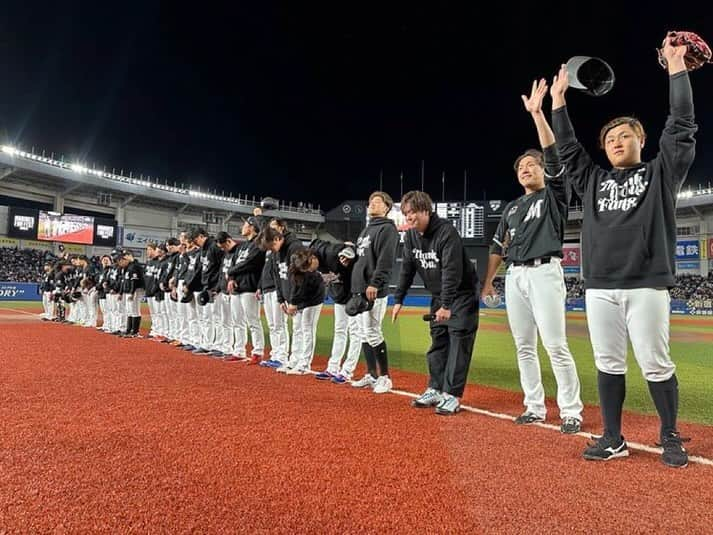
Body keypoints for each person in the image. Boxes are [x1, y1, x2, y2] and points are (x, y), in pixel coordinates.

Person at [550, 36, 697, 467]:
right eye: (610, 137)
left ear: (641, 140)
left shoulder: (661, 172)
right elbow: (568, 150)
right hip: (599, 287)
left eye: (625, 134)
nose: (616, 140)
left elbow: (681, 124)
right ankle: (613, 437)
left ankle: (670, 435)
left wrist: (676, 67)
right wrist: (559, 101)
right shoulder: (592, 181)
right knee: (608, 362)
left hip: (647, 283)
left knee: (655, 361)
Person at [480, 79, 584, 433]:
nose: (526, 168)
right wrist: (488, 282)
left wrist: (538, 114)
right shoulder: (511, 208)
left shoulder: (554, 196)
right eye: (521, 166)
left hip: (544, 273)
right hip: (516, 276)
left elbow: (554, 157)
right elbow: (497, 248)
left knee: (555, 344)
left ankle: (571, 410)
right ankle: (535, 406)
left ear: (543, 170)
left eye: (532, 164)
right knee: (524, 346)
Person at [392, 191, 479, 415]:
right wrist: (399, 298)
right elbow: (407, 268)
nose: (409, 217)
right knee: (438, 343)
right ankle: (435, 388)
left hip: (461, 294)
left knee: (459, 344)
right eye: (406, 214)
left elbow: (452, 270)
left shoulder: (446, 232)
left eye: (413, 212)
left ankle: (452, 395)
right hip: (439, 296)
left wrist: (447, 305)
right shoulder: (411, 236)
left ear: (426, 211)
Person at [350, 191, 399, 394]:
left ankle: (385, 377)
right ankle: (371, 374)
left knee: (373, 331)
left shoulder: (387, 229)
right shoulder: (366, 230)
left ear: (387, 207)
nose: (372, 204)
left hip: (373, 290)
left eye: (377, 202)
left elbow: (386, 260)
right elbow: (361, 258)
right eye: (370, 201)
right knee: (363, 333)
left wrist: (375, 283)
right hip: (359, 288)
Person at [259, 221, 308, 373]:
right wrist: (282, 299)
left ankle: (301, 363)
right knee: (294, 328)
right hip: (288, 294)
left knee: (302, 329)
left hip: (305, 295)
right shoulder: (275, 250)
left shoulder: (294, 247)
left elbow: (299, 276)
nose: (272, 250)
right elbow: (276, 275)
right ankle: (292, 360)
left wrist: (293, 301)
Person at [310, 239, 361, 384]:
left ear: (313, 258)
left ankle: (347, 371)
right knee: (339, 330)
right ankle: (333, 367)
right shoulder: (319, 261)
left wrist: (349, 250)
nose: (313, 271)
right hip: (339, 295)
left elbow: (348, 249)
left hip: (353, 294)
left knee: (355, 332)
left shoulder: (331, 252)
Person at [227, 217, 267, 364]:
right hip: (237, 288)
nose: (242, 226)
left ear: (252, 227)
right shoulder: (241, 246)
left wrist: (231, 271)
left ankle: (258, 351)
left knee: (253, 321)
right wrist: (231, 278)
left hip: (250, 287)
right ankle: (239, 350)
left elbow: (249, 263)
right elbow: (234, 262)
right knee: (237, 321)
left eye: (245, 224)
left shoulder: (258, 245)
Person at [283, 248, 326, 375]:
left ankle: (304, 364)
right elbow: (294, 287)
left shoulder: (312, 274)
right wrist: (292, 302)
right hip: (301, 301)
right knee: (297, 329)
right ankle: (294, 361)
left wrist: (294, 303)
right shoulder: (295, 268)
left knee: (308, 330)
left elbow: (303, 289)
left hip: (313, 301)